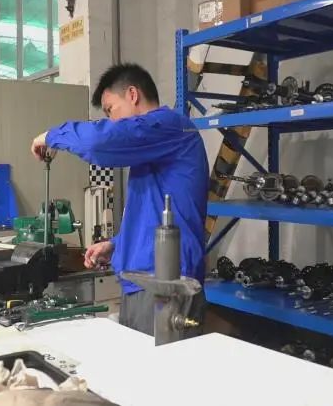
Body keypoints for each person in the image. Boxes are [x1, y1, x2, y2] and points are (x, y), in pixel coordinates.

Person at [30, 63, 208, 336]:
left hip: (167, 282)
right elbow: (150, 212)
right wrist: (116, 244)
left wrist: (51, 136)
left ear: (133, 95)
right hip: (143, 281)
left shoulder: (170, 125)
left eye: (111, 109)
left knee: (161, 363)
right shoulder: (152, 147)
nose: (112, 120)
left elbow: (98, 142)